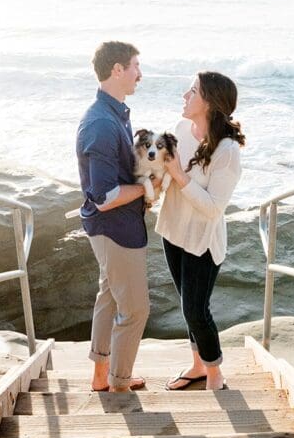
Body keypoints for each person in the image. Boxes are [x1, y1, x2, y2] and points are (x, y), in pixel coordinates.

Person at [156, 71, 245, 391]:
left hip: (201, 241)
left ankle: (215, 375)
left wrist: (178, 175)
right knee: (187, 307)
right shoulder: (181, 129)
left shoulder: (227, 151)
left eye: (192, 91)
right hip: (173, 231)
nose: (184, 95)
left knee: (196, 309)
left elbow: (212, 207)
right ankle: (197, 366)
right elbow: (167, 175)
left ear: (208, 102)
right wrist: (156, 182)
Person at [76, 41, 153, 392]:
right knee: (135, 309)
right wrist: (148, 188)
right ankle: (120, 384)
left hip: (115, 226)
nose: (140, 72)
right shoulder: (101, 124)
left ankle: (101, 377)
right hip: (114, 228)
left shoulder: (116, 114)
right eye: (136, 65)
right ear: (117, 70)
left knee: (108, 296)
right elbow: (105, 197)